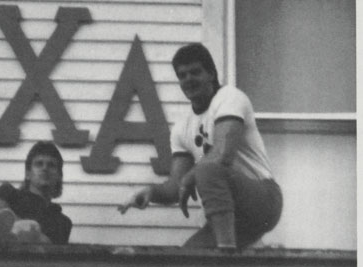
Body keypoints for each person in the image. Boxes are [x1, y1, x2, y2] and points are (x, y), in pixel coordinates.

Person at [118, 43, 282, 250]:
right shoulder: (181, 127)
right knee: (189, 260)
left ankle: (225, 256)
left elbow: (223, 154)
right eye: (182, 75)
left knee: (207, 168)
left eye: (195, 72)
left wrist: (190, 177)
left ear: (211, 74)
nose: (189, 80)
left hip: (262, 199)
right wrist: (152, 192)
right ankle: (230, 258)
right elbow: (176, 184)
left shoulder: (230, 98)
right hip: (229, 216)